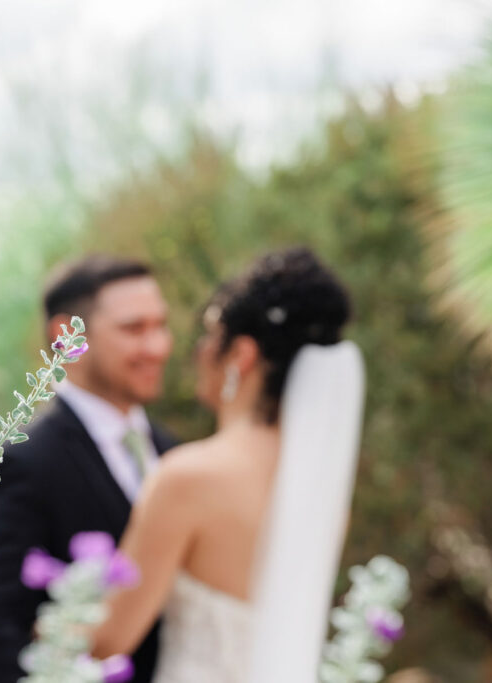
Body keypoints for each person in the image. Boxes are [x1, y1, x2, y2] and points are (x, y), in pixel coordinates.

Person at [91, 247, 365, 682]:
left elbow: (107, 639)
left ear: (241, 354)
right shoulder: (324, 492)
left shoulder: (189, 477)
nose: (198, 351)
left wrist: (52, 609)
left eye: (209, 335)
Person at [0, 254, 177, 683]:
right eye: (134, 328)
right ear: (67, 336)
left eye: (161, 325)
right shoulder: (23, 462)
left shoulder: (174, 452)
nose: (158, 347)